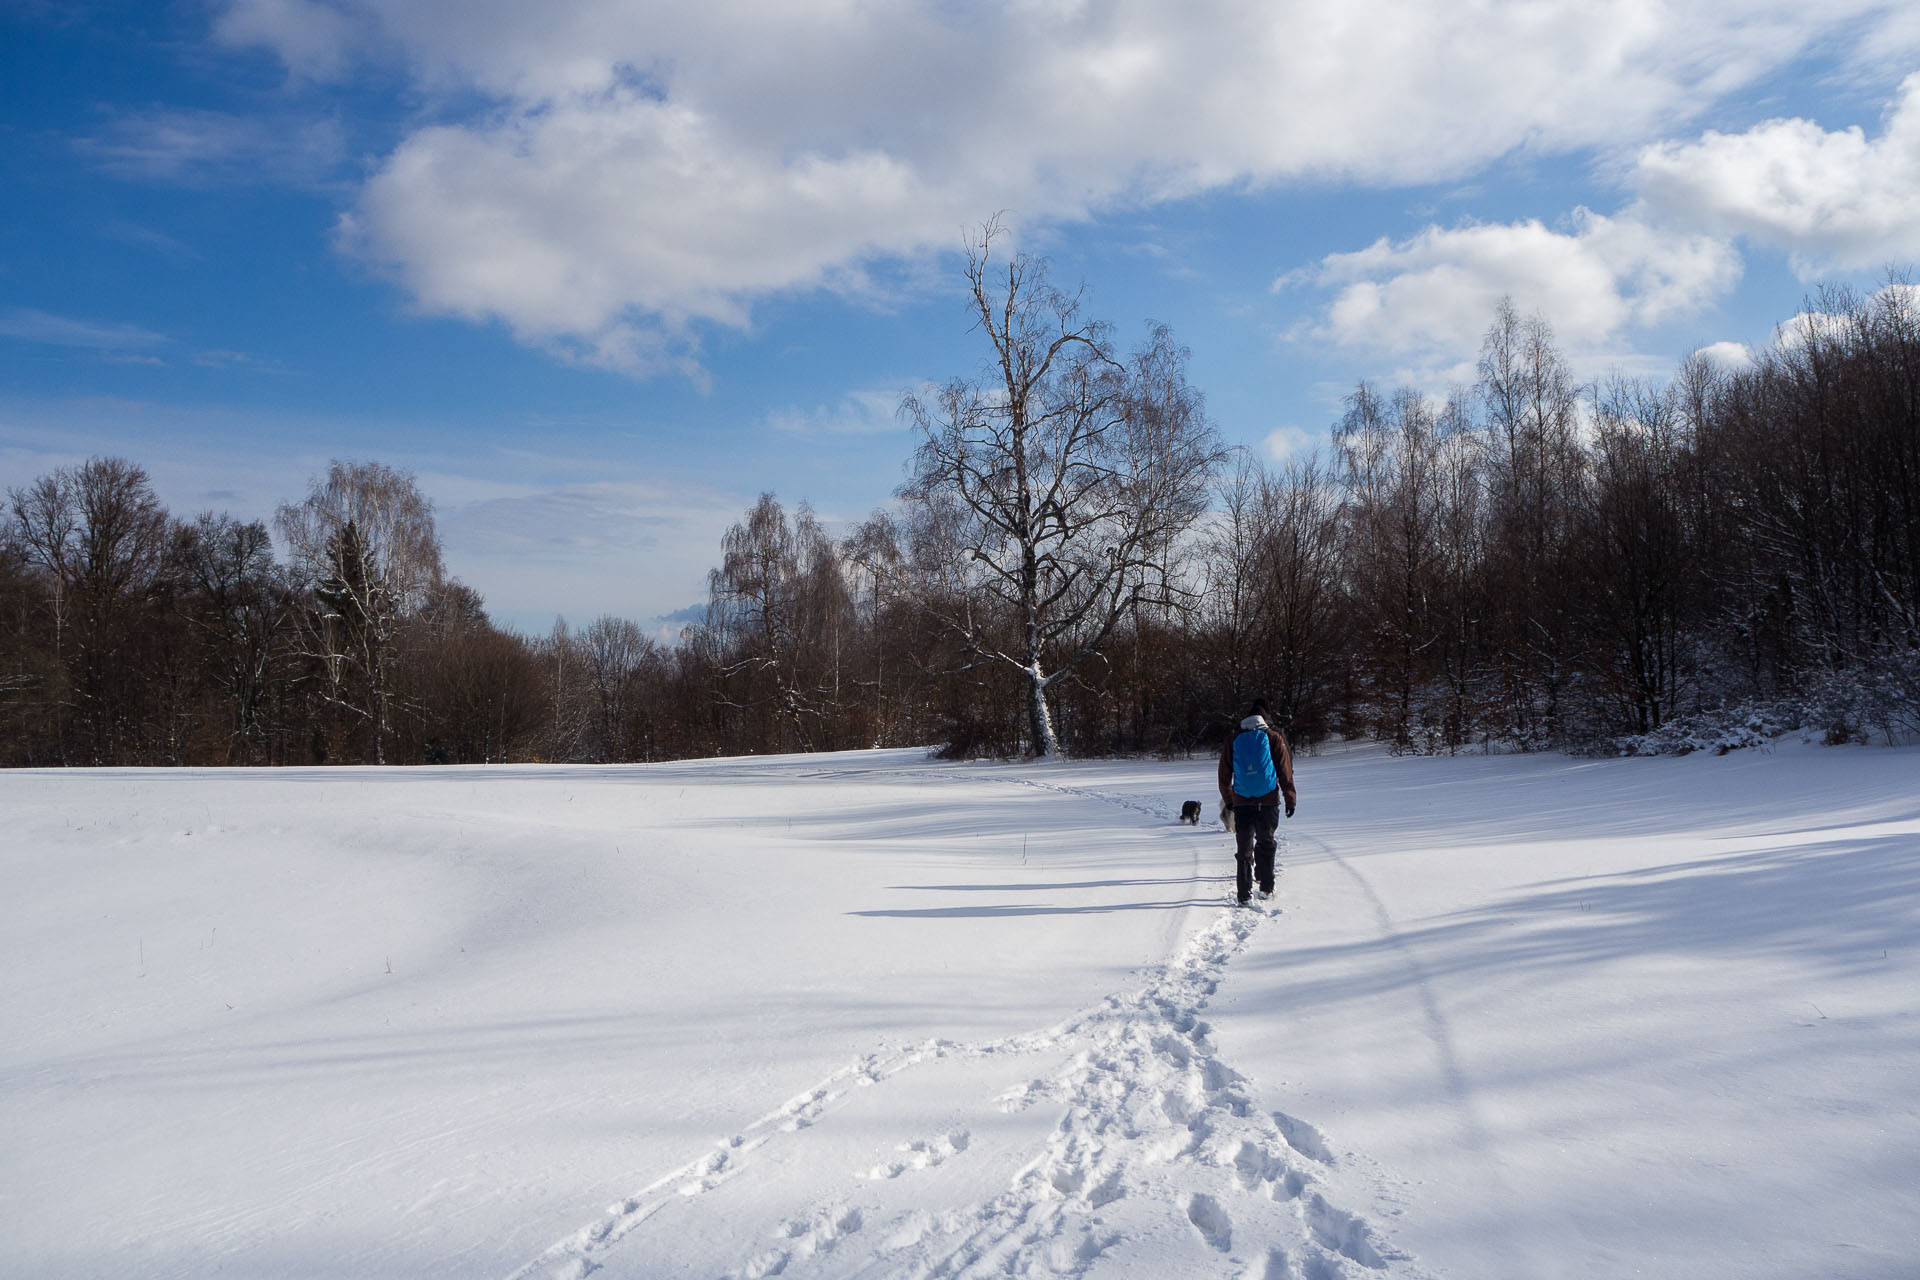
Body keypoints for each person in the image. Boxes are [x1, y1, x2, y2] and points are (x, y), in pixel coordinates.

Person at [1216, 699, 1297, 904]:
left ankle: (1244, 894)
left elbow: (1224, 774)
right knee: (1266, 841)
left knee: (1244, 847)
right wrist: (1290, 799)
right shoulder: (1274, 737)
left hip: (1242, 801)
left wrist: (1229, 799)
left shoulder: (1234, 739)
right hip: (1269, 800)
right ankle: (1266, 887)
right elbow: (1285, 772)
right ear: (1265, 717)